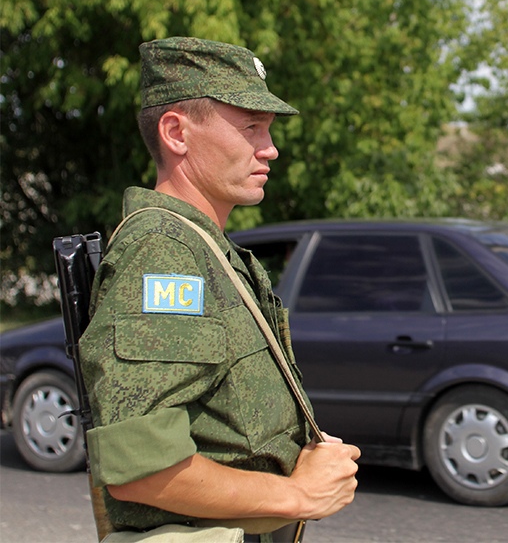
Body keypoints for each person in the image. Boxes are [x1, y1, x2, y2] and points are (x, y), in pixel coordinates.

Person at [79, 37, 360, 543]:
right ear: (176, 133)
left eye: (267, 130)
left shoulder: (206, 249)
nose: (270, 148)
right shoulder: (165, 253)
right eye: (251, 127)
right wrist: (298, 495)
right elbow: (142, 468)